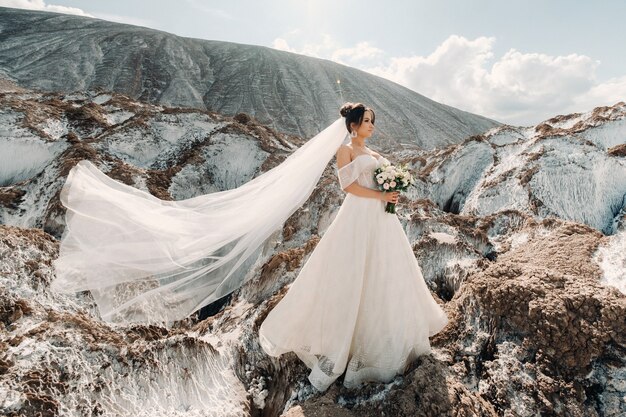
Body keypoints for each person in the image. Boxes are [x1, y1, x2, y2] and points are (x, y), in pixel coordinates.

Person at [258, 103, 449, 392]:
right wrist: (379, 193)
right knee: (353, 271)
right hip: (358, 215)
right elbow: (347, 186)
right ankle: (345, 342)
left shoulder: (374, 154)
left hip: (381, 220)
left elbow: (380, 183)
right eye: (367, 121)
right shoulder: (345, 150)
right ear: (353, 125)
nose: (372, 126)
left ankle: (388, 337)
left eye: (373, 121)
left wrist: (390, 195)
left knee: (386, 272)